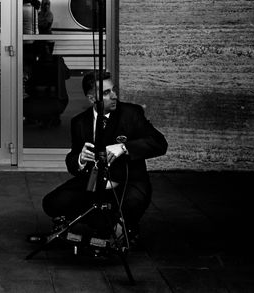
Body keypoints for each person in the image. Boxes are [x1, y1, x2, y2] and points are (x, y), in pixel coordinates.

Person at [40, 70, 167, 241]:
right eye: (106, 93)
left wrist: (124, 147)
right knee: (52, 202)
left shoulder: (131, 113)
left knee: (131, 204)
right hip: (94, 183)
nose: (114, 96)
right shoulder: (79, 122)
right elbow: (72, 162)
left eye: (113, 90)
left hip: (128, 182)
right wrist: (80, 159)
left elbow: (159, 143)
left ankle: (119, 225)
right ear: (92, 98)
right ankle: (104, 222)